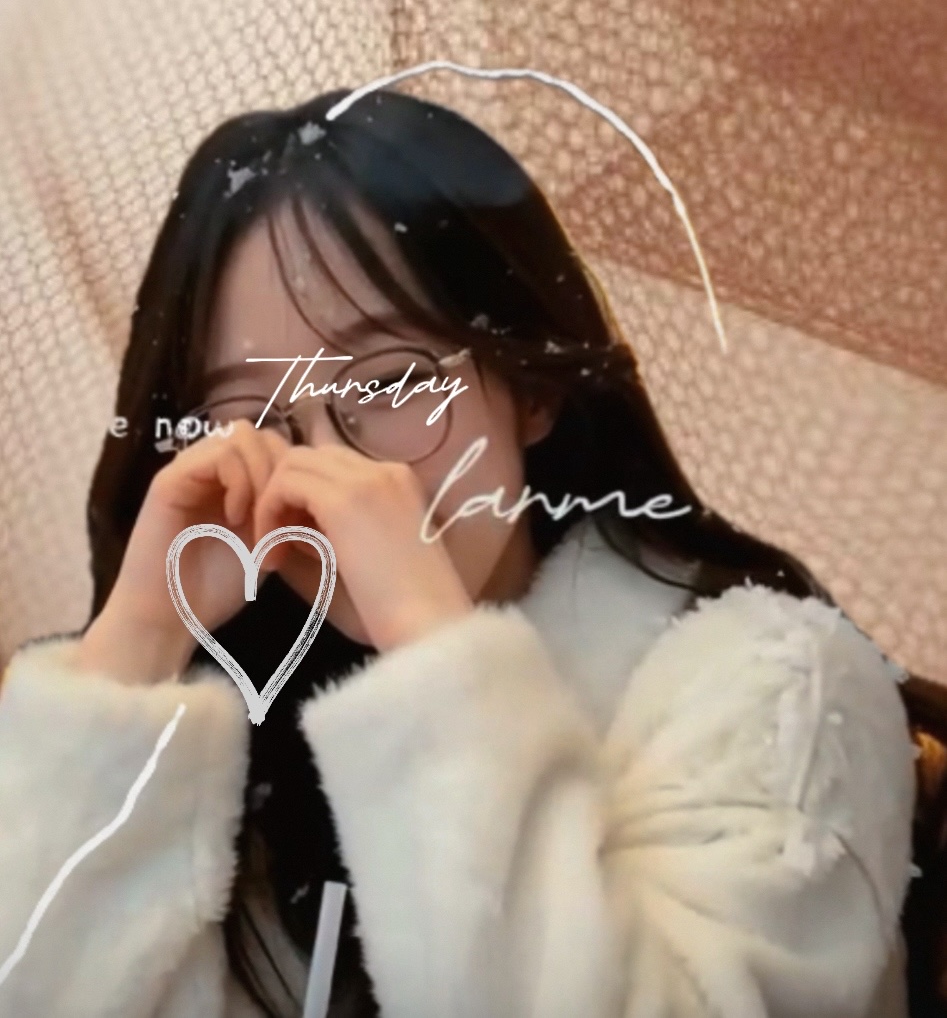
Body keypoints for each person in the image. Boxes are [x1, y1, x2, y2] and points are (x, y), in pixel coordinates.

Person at [0, 86, 944, 1018]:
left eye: (392, 380)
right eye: (253, 416)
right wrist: (134, 645)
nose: (333, 472)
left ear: (531, 387)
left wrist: (430, 650)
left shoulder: (777, 686)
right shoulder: (236, 722)